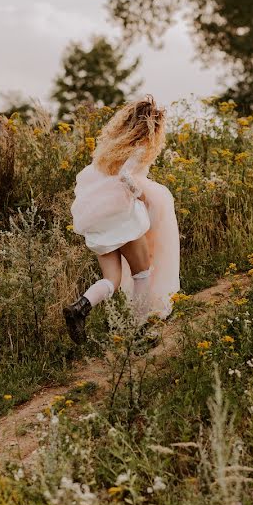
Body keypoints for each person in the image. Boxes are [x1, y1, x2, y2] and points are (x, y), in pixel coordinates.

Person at [64, 96, 180, 344]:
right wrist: (140, 195)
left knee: (112, 279)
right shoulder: (141, 147)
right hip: (122, 220)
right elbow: (126, 176)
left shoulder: (110, 149)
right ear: (151, 127)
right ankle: (138, 332)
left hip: (98, 221)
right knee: (141, 273)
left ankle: (80, 306)